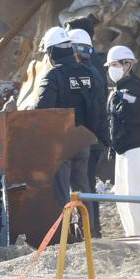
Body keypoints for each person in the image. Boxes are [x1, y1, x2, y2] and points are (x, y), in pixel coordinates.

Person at [35, 26, 98, 214]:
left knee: (60, 192)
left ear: (51, 51)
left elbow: (41, 110)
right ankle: (89, 231)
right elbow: (95, 106)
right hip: (82, 138)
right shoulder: (88, 73)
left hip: (61, 142)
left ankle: (64, 234)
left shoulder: (52, 76)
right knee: (82, 190)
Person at [105, 45, 140, 250]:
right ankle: (132, 235)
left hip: (136, 148)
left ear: (128, 65)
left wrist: (121, 102)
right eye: (111, 65)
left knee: (136, 192)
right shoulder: (119, 89)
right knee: (123, 194)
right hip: (123, 149)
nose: (113, 69)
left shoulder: (135, 88)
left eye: (116, 65)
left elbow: (137, 115)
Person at [68, 27, 110, 234]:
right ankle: (93, 228)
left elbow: (91, 109)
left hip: (87, 138)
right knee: (88, 185)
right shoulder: (95, 70)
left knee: (84, 186)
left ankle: (90, 229)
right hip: (95, 137)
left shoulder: (83, 74)